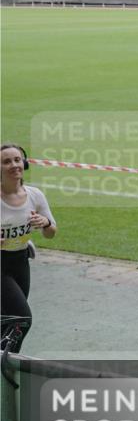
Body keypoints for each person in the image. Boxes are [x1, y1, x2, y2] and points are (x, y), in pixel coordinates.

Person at [1, 143, 57, 352]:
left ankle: (6, 367)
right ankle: (8, 365)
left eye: (17, 160)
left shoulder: (35, 195)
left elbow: (51, 233)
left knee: (7, 320)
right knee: (21, 319)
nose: (14, 165)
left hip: (20, 262)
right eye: (7, 161)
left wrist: (46, 223)